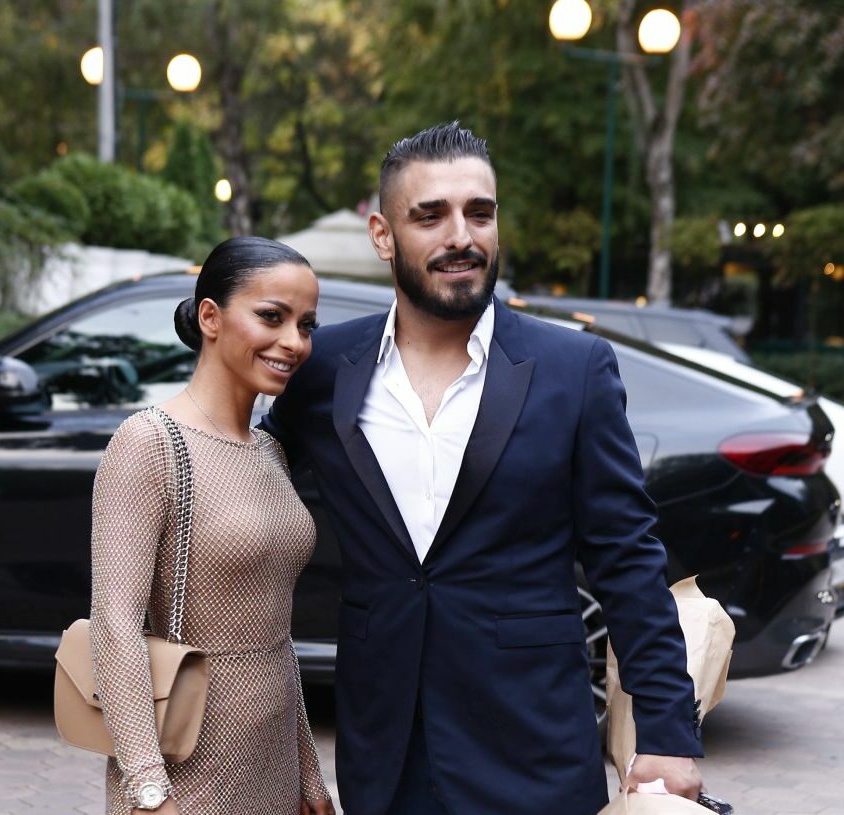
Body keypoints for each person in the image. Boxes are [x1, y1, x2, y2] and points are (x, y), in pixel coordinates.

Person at [261, 123, 704, 815]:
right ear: (383, 235)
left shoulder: (574, 370)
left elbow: (627, 558)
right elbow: (242, 472)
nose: (461, 236)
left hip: (534, 748)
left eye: (480, 213)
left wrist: (668, 733)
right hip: (386, 752)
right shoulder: (322, 371)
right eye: (430, 216)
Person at [89, 237, 335, 815]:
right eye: (271, 317)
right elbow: (115, 627)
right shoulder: (149, 442)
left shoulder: (269, 451)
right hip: (185, 771)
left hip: (272, 765)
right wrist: (148, 789)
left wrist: (308, 772)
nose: (294, 342)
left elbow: (277, 641)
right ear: (210, 318)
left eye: (306, 325)